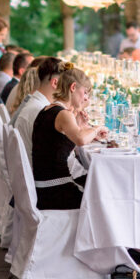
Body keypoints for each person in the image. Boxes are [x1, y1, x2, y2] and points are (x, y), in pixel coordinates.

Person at [31, 65, 108, 209]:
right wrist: (97, 128)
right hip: (54, 190)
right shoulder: (63, 114)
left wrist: (82, 127)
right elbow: (80, 139)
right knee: (104, 196)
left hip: (43, 186)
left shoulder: (48, 109)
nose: (86, 98)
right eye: (85, 92)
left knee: (95, 184)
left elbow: (63, 142)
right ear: (73, 87)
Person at [12, 57, 63, 160]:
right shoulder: (43, 111)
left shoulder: (34, 102)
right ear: (55, 83)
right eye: (67, 83)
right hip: (41, 172)